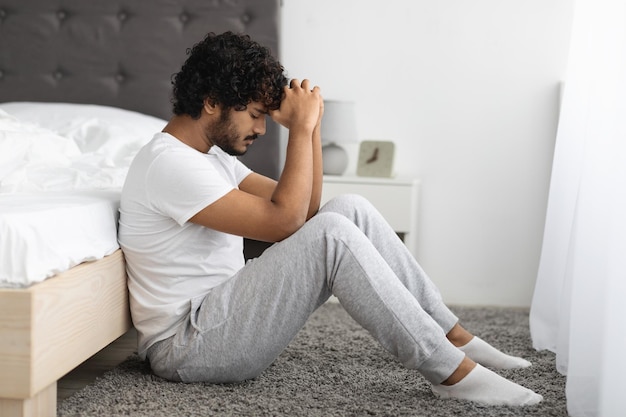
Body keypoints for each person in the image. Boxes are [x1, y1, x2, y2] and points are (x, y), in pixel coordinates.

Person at [118, 31, 542, 407]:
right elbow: (286, 222)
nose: (263, 129)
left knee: (348, 209)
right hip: (186, 346)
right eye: (254, 114)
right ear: (211, 102)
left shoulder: (210, 160)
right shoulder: (168, 164)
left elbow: (306, 210)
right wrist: (298, 131)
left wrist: (311, 127)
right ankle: (451, 373)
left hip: (219, 320)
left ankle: (453, 335)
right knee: (333, 234)